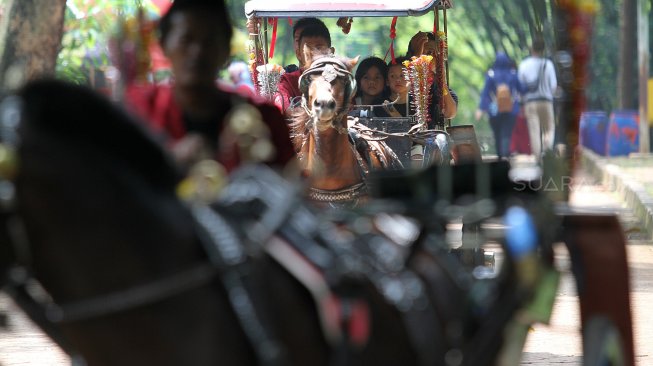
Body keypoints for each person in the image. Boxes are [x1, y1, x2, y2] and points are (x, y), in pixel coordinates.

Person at [126, 0, 295, 173]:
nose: (198, 51)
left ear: (226, 50)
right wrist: (166, 161)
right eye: (186, 39)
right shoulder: (136, 110)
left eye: (210, 41)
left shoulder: (265, 120)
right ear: (164, 45)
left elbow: (293, 188)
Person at [273, 21, 333, 114]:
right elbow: (283, 108)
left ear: (331, 52)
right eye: (307, 49)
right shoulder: (287, 81)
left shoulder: (339, 79)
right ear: (298, 54)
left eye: (319, 48)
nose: (313, 54)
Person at [475, 52, 523, 159]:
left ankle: (500, 156)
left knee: (497, 134)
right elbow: (522, 90)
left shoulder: (491, 75)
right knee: (506, 132)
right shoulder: (513, 74)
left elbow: (485, 94)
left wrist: (481, 109)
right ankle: (505, 153)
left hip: (494, 110)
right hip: (511, 109)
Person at [406, 31, 458, 129]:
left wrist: (441, 78)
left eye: (430, 53)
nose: (425, 57)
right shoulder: (401, 78)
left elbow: (450, 112)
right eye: (421, 52)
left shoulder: (440, 88)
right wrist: (417, 62)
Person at [518, 38, 557, 157]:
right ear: (543, 50)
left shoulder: (524, 65)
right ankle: (547, 150)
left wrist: (521, 102)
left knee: (534, 130)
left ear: (532, 49)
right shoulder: (548, 64)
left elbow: (520, 86)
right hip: (546, 101)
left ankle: (537, 158)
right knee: (549, 128)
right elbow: (554, 86)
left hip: (530, 103)